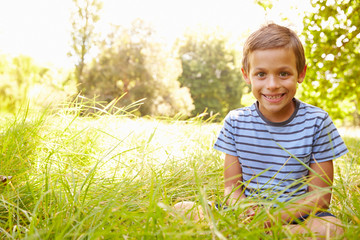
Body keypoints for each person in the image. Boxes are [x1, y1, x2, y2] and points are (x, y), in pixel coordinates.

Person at [174, 23, 348, 238]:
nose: (272, 84)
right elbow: (231, 188)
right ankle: (249, 230)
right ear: (247, 75)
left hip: (297, 214)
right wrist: (247, 211)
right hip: (246, 212)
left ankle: (268, 233)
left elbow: (320, 197)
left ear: (300, 73)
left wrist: (274, 218)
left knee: (334, 229)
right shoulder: (235, 122)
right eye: (261, 74)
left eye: (283, 73)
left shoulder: (317, 122)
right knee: (182, 208)